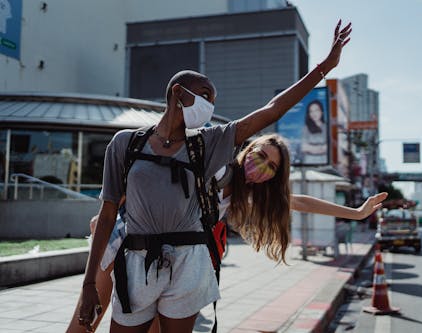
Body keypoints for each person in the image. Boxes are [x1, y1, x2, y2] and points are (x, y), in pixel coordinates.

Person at [77, 19, 352, 333]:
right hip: (132, 257)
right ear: (177, 93)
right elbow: (110, 209)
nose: (210, 105)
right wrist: (88, 281)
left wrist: (324, 68)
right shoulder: (127, 143)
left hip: (186, 264)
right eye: (206, 95)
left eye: (214, 101)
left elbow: (273, 109)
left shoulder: (206, 145)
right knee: (84, 326)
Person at [68, 134, 387, 333]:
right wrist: (108, 214)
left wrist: (357, 212)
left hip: (160, 265)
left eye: (271, 166)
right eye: (259, 153)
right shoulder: (216, 166)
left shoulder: (244, 196)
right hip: (124, 243)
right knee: (86, 321)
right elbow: (153, 174)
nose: (260, 164)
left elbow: (298, 201)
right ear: (249, 147)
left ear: (273, 177)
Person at [300, 100, 328, 164]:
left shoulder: (327, 127)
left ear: (322, 112)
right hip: (309, 162)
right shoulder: (306, 128)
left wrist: (311, 148)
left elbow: (328, 148)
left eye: (316, 110)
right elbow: (304, 148)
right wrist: (321, 148)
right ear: (309, 114)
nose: (314, 113)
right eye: (311, 111)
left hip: (324, 162)